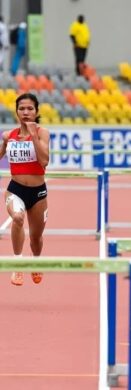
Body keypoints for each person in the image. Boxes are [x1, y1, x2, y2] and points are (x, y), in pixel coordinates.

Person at [0, 93, 50, 286]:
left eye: (30, 109)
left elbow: (44, 160)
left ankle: (35, 261)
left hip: (38, 193)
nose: (26, 112)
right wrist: (5, 144)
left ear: (36, 112)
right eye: (22, 108)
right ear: (17, 112)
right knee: (18, 218)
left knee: (36, 239)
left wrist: (34, 135)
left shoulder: (43, 133)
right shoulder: (8, 135)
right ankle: (18, 263)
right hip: (15, 189)